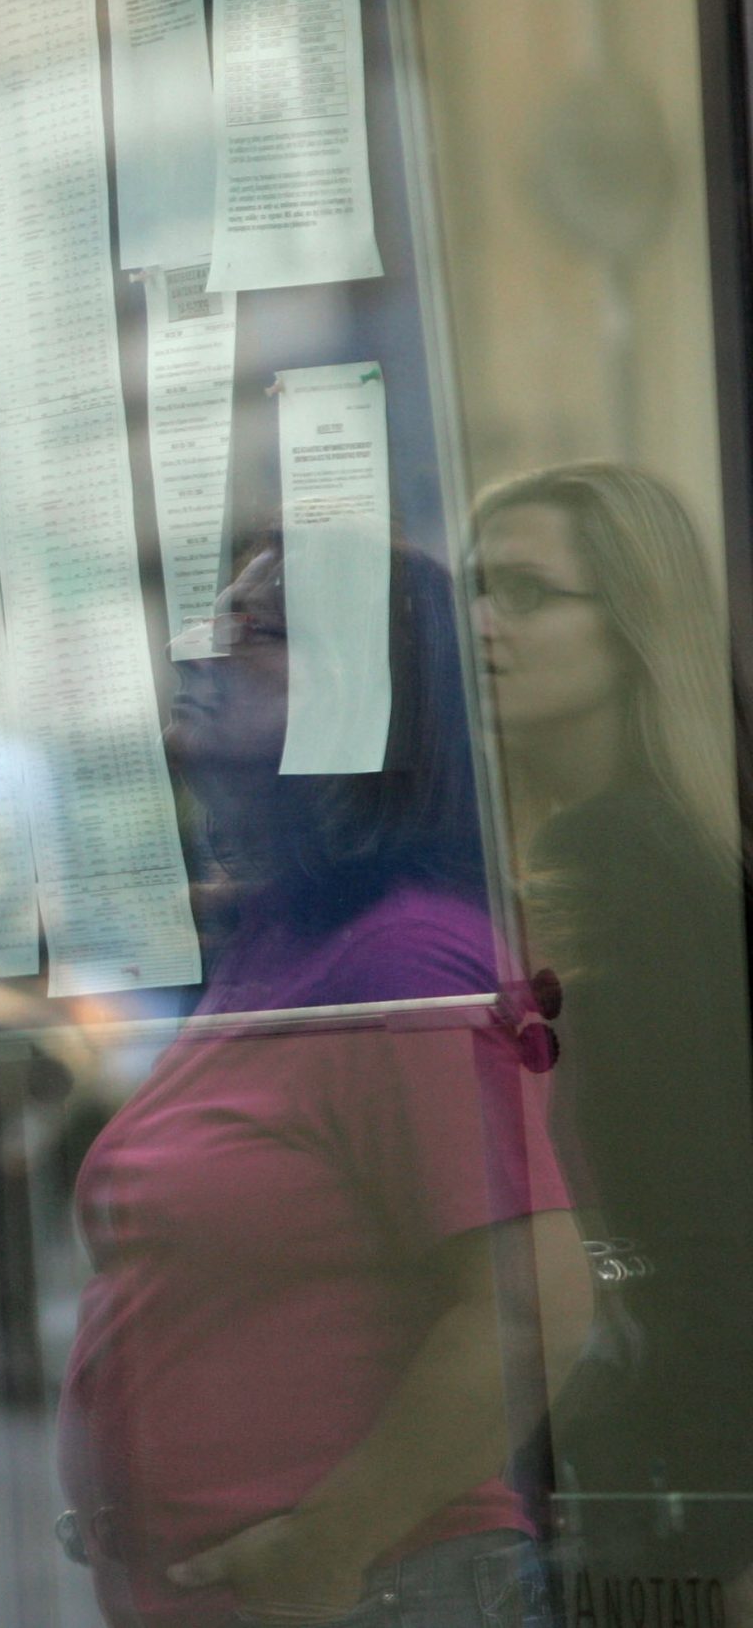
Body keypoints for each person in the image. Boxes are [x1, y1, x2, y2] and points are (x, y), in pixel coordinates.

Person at [56, 538, 590, 1627]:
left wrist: (328, 1542)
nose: (197, 655)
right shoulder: (284, 939)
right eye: (209, 623)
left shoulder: (405, 958)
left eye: (253, 632)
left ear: (361, 696)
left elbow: (531, 1303)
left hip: (377, 1591)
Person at [472, 462, 753, 1602]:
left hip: (661, 1467)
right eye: (471, 591)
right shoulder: (660, 837)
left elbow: (680, 1205)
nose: (480, 625)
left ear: (632, 629)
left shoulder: (617, 856)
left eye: (526, 593)